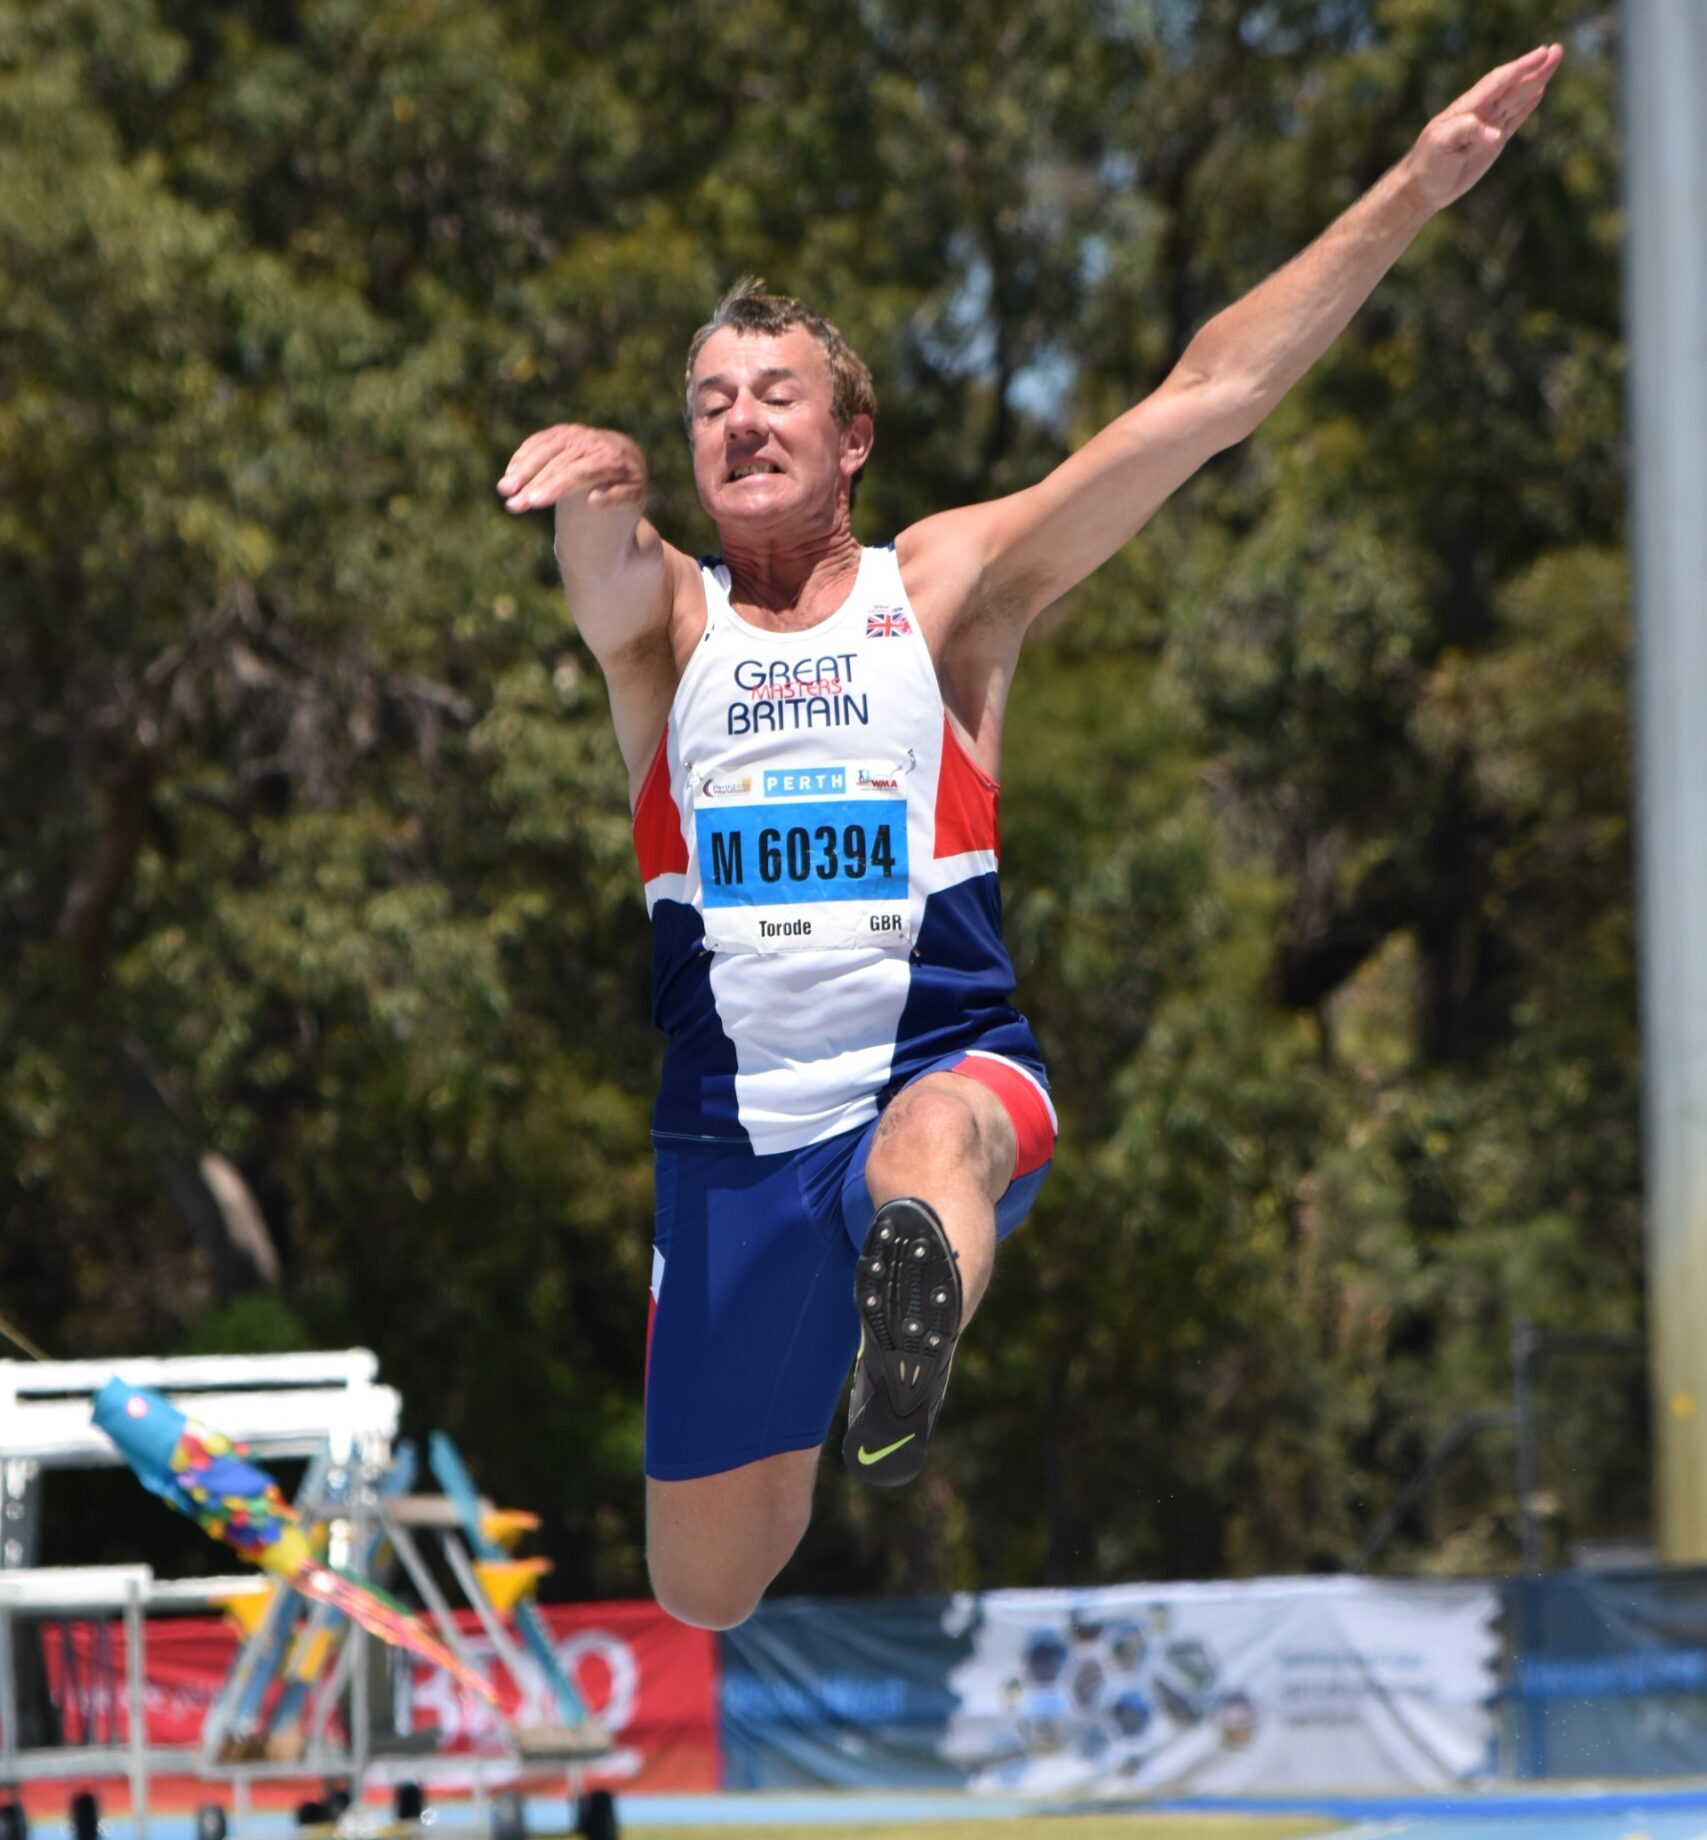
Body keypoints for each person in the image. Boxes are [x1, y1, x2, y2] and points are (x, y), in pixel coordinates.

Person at [497, 44, 1561, 1629]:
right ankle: (839, 1318)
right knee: (708, 1587)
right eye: (708, 404)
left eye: (774, 392)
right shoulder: (667, 626)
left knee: (943, 1148)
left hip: (947, 1059)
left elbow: (1205, 400)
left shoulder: (949, 586)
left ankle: (914, 1270)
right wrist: (604, 471)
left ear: (852, 433)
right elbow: (600, 553)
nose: (741, 419)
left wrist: (1414, 186)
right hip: (729, 1141)